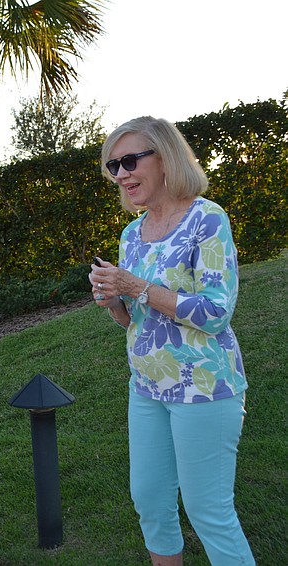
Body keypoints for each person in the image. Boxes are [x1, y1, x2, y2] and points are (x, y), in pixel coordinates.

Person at [89, 116, 254, 566]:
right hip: (147, 387)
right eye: (112, 166)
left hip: (204, 388)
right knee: (151, 503)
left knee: (208, 510)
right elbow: (137, 322)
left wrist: (136, 286)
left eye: (128, 160)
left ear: (166, 159)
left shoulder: (207, 218)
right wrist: (114, 301)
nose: (120, 173)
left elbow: (216, 313)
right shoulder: (132, 234)